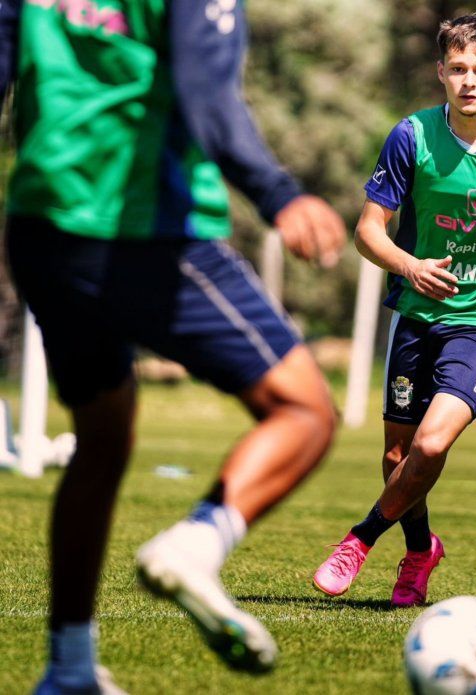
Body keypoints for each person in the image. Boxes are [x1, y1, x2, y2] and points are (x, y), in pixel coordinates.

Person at [0, 0, 346, 691]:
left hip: (41, 233)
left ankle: (68, 667)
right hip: (143, 232)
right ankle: (195, 544)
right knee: (304, 411)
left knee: (101, 435)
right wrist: (279, 193)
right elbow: (205, 90)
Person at [313, 14, 476, 607]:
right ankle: (419, 551)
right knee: (395, 456)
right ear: (440, 72)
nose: (468, 81)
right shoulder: (411, 136)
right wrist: (409, 265)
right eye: (457, 69)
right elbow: (367, 231)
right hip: (416, 313)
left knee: (431, 446)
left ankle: (359, 540)